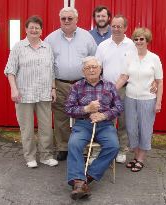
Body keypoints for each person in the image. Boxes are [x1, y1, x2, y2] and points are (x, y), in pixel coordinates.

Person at [65, 56, 123, 200]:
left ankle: (87, 177)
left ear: (100, 69)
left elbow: (119, 108)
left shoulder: (109, 86)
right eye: (87, 68)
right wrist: (86, 108)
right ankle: (79, 182)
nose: (91, 70)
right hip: (83, 124)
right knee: (74, 144)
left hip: (104, 125)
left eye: (94, 67)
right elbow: (68, 109)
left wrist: (104, 115)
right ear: (83, 71)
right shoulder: (76, 86)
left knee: (113, 146)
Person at [4, 16, 58, 168]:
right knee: (26, 128)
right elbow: (10, 71)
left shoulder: (47, 47)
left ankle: (46, 156)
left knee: (46, 127)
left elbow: (52, 71)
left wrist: (53, 88)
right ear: (26, 29)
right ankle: (30, 157)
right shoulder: (18, 47)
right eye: (31, 27)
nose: (34, 30)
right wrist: (14, 89)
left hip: (43, 93)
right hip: (24, 94)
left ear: (41, 30)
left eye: (37, 28)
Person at [45, 7, 97, 161]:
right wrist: (52, 86)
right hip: (60, 84)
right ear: (60, 20)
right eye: (63, 18)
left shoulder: (87, 37)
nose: (66, 21)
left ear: (76, 20)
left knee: (84, 115)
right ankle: (63, 147)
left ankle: (82, 146)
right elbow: (47, 64)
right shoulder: (51, 39)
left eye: (70, 18)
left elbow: (94, 60)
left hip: (82, 84)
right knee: (60, 116)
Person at [116, 27, 163, 172]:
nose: (138, 41)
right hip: (130, 98)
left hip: (147, 99)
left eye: (141, 39)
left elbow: (159, 81)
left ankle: (141, 158)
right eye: (136, 39)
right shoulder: (129, 56)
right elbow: (124, 77)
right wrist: (110, 91)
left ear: (147, 40)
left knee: (145, 129)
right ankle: (136, 156)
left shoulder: (154, 58)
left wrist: (158, 102)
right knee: (131, 129)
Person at [95, 14, 137, 163]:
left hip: (126, 88)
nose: (116, 29)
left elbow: (138, 66)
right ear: (110, 26)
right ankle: (106, 148)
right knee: (106, 120)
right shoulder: (103, 45)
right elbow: (97, 67)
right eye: (114, 26)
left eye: (120, 26)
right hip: (106, 89)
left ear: (125, 28)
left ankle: (121, 149)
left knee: (123, 120)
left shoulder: (132, 45)